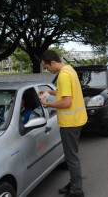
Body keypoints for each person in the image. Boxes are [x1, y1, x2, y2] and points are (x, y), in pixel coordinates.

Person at [40, 50, 87, 197]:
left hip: (70, 123)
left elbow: (66, 102)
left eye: (47, 67)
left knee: (71, 157)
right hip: (77, 119)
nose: (47, 70)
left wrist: (47, 103)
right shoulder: (69, 70)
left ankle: (76, 191)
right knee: (72, 155)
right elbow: (63, 92)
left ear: (52, 63)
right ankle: (74, 183)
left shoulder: (63, 76)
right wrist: (49, 92)